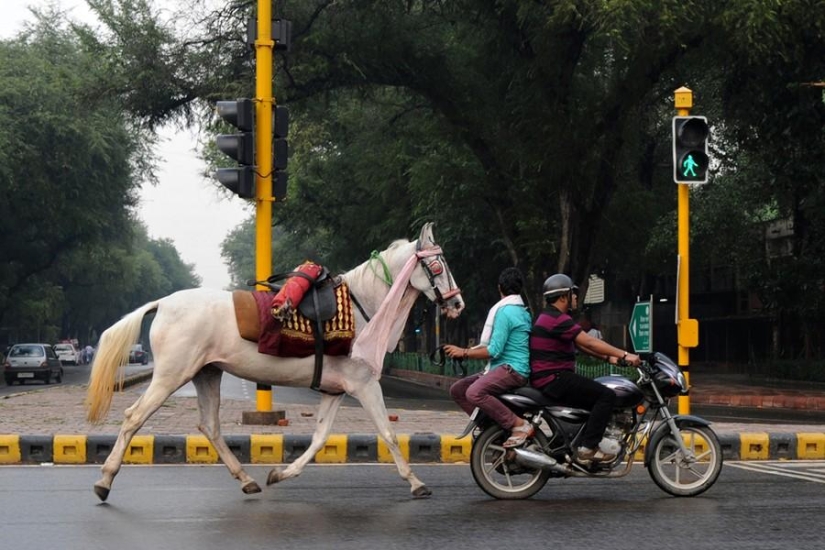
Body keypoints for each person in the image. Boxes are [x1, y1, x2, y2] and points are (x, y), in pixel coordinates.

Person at [530, 273, 641, 464]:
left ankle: (577, 441)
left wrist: (608, 358)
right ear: (563, 296)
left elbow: (582, 346)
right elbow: (589, 341)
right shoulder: (557, 319)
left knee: (592, 397)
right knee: (606, 395)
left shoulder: (550, 317)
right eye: (573, 294)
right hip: (554, 378)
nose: (575, 298)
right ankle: (588, 448)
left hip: (550, 377)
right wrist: (624, 354)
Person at [444, 267, 534, 448]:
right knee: (458, 390)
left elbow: (494, 350)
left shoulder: (505, 311)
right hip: (503, 368)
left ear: (499, 287)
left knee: (473, 392)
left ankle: (519, 425)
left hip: (512, 369)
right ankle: (492, 428)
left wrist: (464, 352)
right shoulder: (523, 311)